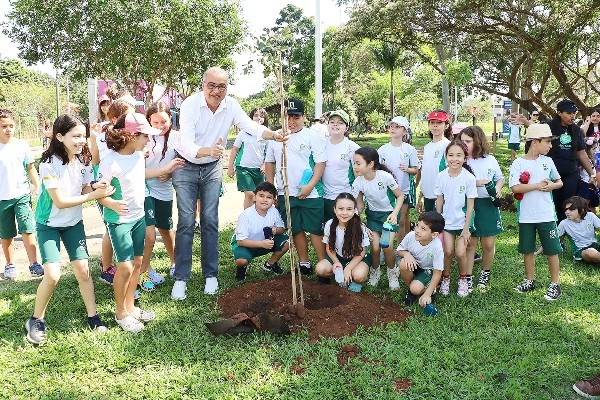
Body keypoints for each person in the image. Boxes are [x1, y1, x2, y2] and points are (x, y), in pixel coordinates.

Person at [171, 67, 285, 299]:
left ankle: (210, 275)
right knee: (185, 221)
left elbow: (250, 126)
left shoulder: (230, 105)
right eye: (211, 85)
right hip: (186, 165)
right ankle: (181, 278)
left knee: (210, 219)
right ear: (203, 84)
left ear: (227, 88)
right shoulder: (190, 105)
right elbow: (187, 142)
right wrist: (208, 150)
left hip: (212, 167)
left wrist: (273, 134)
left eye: (221, 86)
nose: (216, 91)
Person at [25, 115, 114, 345]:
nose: (81, 140)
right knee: (53, 275)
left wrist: (95, 186)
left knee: (83, 272)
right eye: (75, 136)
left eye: (83, 135)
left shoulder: (83, 160)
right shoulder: (47, 165)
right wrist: (91, 195)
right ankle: (36, 319)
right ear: (59, 136)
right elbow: (61, 201)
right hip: (49, 226)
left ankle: (93, 318)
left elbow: (84, 185)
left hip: (73, 223)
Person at [99, 113, 184, 332]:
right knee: (125, 267)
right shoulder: (110, 161)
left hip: (138, 218)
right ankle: (120, 314)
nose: (148, 140)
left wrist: (167, 168)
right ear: (130, 135)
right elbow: (98, 191)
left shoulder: (137, 156)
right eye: (145, 136)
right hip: (119, 221)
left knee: (137, 264)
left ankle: (131, 308)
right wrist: (111, 204)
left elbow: (142, 174)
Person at [265, 98, 327, 276]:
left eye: (295, 117)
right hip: (286, 192)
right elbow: (269, 162)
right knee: (296, 228)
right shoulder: (275, 137)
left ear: (304, 117)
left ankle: (323, 264)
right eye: (287, 117)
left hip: (311, 193)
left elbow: (320, 163)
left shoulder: (311, 136)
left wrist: (310, 186)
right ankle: (304, 262)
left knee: (315, 229)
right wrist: (271, 188)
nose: (291, 122)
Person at [514, 99, 596, 222]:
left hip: (570, 173)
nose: (572, 116)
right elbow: (536, 133)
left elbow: (582, 153)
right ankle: (552, 233)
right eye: (569, 113)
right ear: (559, 113)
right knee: (553, 203)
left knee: (567, 203)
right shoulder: (549, 126)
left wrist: (592, 174)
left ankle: (562, 234)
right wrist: (525, 121)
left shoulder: (576, 130)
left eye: (574, 113)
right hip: (550, 173)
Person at [510, 123, 563, 301]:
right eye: (547, 141)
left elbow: (559, 181)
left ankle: (555, 283)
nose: (550, 145)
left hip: (546, 215)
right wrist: (538, 185)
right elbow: (515, 187)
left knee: (552, 249)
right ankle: (530, 280)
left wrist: (551, 186)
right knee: (528, 249)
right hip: (526, 216)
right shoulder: (518, 162)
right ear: (535, 142)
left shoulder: (548, 162)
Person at [90, 99, 135, 285]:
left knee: (122, 224)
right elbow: (94, 161)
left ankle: (116, 264)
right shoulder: (102, 135)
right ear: (116, 118)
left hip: (123, 182)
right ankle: (106, 268)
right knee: (112, 226)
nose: (132, 119)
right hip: (108, 183)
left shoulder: (130, 135)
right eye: (128, 115)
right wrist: (94, 138)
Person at [138, 102, 180, 290]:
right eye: (155, 122)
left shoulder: (177, 138)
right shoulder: (143, 138)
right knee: (149, 235)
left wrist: (170, 173)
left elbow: (184, 161)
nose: (159, 125)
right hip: (145, 187)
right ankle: (143, 271)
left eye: (163, 121)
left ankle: (175, 263)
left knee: (166, 228)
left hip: (165, 189)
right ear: (149, 121)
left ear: (170, 119)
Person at [352, 147, 405, 290]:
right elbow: (360, 205)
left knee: (386, 246)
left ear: (370, 164)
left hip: (389, 215)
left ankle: (392, 272)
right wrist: (355, 215)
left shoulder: (385, 177)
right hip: (373, 216)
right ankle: (375, 271)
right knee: (375, 248)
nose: (355, 167)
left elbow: (400, 196)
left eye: (358, 163)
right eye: (354, 163)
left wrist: (394, 214)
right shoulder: (358, 182)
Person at [0, 108, 42, 280]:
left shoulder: (21, 145)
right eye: (3, 126)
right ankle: (10, 264)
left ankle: (34, 264)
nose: (8, 129)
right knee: (6, 233)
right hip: (2, 199)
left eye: (10, 125)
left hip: (22, 195)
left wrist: (38, 187)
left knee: (27, 228)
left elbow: (30, 167)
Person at [460, 126, 504, 289]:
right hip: (470, 204)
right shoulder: (461, 159)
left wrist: (498, 188)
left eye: (468, 141)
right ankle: (468, 276)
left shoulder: (490, 159)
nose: (464, 144)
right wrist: (475, 183)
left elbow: (500, 178)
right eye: (462, 141)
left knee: (488, 244)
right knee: (471, 243)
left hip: (488, 204)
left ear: (477, 141)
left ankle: (485, 273)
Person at [434, 140, 477, 297]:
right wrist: (438, 224)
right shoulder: (441, 176)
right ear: (446, 157)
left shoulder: (469, 178)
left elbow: (471, 206)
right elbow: (439, 200)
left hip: (463, 222)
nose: (454, 159)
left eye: (459, 155)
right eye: (451, 155)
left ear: (465, 158)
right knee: (448, 251)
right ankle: (445, 278)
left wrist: (466, 230)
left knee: (460, 253)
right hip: (446, 222)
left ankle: (463, 279)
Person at [232, 181, 289, 281]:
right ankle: (241, 269)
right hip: (246, 245)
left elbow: (282, 228)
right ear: (254, 197)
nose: (265, 200)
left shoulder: (273, 211)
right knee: (241, 261)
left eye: (269, 197)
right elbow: (241, 241)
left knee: (288, 243)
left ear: (273, 200)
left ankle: (270, 264)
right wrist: (262, 244)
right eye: (261, 196)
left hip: (266, 242)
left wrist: (275, 230)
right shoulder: (245, 215)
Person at [315, 192, 369, 292]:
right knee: (320, 268)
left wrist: (348, 268)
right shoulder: (330, 224)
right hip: (339, 257)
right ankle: (340, 276)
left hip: (356, 258)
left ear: (354, 210)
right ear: (335, 209)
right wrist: (336, 261)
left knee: (359, 275)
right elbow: (329, 247)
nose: (344, 213)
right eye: (340, 209)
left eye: (349, 209)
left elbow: (361, 252)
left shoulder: (360, 227)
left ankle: (354, 280)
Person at [379, 116, 420, 242]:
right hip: (387, 191)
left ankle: (401, 248)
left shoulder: (410, 149)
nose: (393, 129)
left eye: (397, 127)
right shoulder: (383, 150)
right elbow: (377, 169)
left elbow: (416, 169)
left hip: (404, 190)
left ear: (404, 131)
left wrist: (407, 169)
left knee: (402, 220)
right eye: (391, 126)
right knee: (387, 219)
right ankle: (384, 247)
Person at [398, 211, 445, 307]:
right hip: (415, 266)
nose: (417, 230)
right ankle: (412, 290)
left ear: (434, 235)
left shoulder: (437, 247)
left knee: (415, 288)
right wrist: (406, 254)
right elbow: (399, 250)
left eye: (423, 229)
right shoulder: (411, 236)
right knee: (403, 263)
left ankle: (429, 290)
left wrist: (427, 294)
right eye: (417, 226)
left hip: (428, 270)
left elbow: (438, 272)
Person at [322, 110, 360, 222]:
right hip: (325, 196)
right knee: (329, 231)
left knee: (347, 231)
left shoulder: (352, 147)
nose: (335, 124)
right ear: (327, 125)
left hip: (345, 196)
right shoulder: (321, 144)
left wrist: (357, 199)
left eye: (340, 122)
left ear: (346, 128)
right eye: (332, 121)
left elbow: (358, 175)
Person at [227, 107, 269, 209]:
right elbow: (234, 150)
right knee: (250, 194)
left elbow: (268, 154)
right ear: (250, 118)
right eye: (256, 115)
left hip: (259, 170)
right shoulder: (243, 133)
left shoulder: (267, 134)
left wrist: (264, 165)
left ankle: (256, 218)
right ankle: (246, 219)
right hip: (243, 168)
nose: (259, 118)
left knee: (259, 195)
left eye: (262, 116)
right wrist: (230, 167)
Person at [417, 110, 452, 213]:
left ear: (446, 126)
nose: (435, 126)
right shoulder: (427, 147)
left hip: (441, 196)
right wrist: (421, 195)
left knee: (440, 227)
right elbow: (426, 172)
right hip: (427, 194)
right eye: (432, 123)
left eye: (439, 123)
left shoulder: (448, 146)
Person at [558, 196, 600, 262]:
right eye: (566, 209)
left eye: (571, 209)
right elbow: (556, 240)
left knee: (593, 251)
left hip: (595, 245)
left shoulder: (590, 216)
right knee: (590, 253)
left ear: (582, 209)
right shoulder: (564, 223)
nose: (567, 212)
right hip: (580, 250)